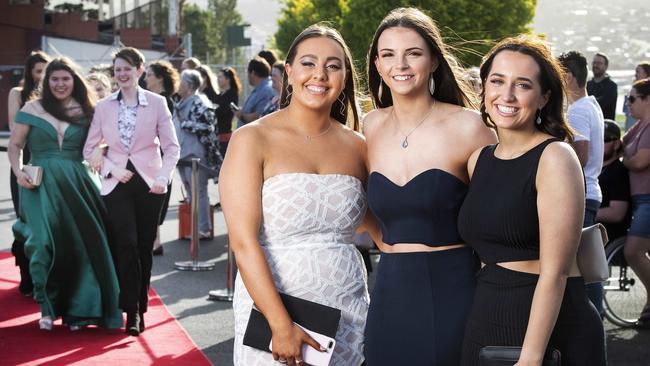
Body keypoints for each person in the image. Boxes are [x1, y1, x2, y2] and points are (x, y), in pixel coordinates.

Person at [224, 24, 368, 365]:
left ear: (345, 77)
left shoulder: (359, 147)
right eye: (308, 63)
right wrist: (279, 323)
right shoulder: (251, 139)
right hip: (273, 312)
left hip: (347, 309)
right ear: (288, 72)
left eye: (333, 65)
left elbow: (385, 229)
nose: (320, 74)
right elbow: (243, 242)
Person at [458, 35, 606, 366]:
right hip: (486, 315)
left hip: (547, 328)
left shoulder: (555, 157)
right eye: (497, 81)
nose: (506, 95)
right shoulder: (478, 160)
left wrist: (531, 357)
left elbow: (554, 273)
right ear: (484, 89)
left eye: (522, 85)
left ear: (544, 97)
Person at [362, 8, 496, 365]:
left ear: (434, 61)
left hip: (455, 287)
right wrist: (387, 244)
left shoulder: (469, 127)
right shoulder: (368, 127)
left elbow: (496, 217)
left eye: (413, 54)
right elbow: (355, 204)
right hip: (390, 289)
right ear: (377, 64)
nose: (400, 65)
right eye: (388, 55)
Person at [8, 57, 122, 331]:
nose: (60, 84)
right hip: (40, 186)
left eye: (65, 78)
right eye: (54, 79)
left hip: (79, 183)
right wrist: (18, 170)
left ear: (74, 81)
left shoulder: (89, 110)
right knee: (41, 244)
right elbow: (15, 145)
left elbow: (109, 141)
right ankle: (47, 308)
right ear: (46, 82)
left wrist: (100, 148)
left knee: (79, 246)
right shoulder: (32, 108)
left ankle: (79, 311)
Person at [83, 47, 180, 336]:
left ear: (140, 71)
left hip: (151, 183)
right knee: (125, 243)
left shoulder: (157, 102)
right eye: (117, 69)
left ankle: (140, 305)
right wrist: (112, 168)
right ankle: (131, 312)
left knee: (143, 248)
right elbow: (90, 148)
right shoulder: (104, 106)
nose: (122, 74)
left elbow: (172, 147)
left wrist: (163, 176)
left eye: (127, 68)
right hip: (117, 184)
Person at [558, 50, 606, 315]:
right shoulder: (592, 105)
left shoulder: (577, 111)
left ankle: (590, 321)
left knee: (583, 269)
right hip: (591, 191)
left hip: (582, 193)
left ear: (567, 76)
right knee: (587, 266)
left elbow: (582, 154)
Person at [7, 50, 50, 297]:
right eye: (38, 71)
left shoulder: (56, 97)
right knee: (26, 221)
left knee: (49, 222)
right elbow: (14, 128)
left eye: (46, 71)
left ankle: (46, 276)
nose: (43, 76)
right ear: (29, 72)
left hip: (50, 164)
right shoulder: (18, 93)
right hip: (26, 164)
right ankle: (26, 274)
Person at [173, 69, 221, 239]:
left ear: (189, 85)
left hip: (195, 155)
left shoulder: (199, 102)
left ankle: (203, 229)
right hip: (183, 155)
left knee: (198, 192)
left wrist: (186, 124)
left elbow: (209, 127)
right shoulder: (181, 102)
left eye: (181, 81)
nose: (178, 84)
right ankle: (196, 229)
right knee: (191, 193)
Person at [144, 60, 180, 255]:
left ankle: (155, 242)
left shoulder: (163, 100)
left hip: (160, 156)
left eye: (149, 74)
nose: (145, 78)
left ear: (159, 78)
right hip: (154, 155)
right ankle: (155, 241)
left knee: (156, 197)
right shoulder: (155, 98)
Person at [622, 78, 650, 327]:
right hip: (640, 198)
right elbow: (621, 146)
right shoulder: (640, 125)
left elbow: (640, 161)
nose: (628, 103)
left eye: (632, 98)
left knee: (633, 251)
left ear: (647, 99)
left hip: (648, 199)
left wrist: (625, 162)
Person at [597, 120, 631, 241]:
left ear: (616, 144)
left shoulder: (619, 172)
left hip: (606, 235)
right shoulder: (594, 169)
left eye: (605, 139)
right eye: (597, 138)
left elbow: (617, 213)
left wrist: (584, 212)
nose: (599, 143)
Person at [234, 57, 275, 128]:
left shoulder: (266, 91)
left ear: (253, 73)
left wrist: (241, 115)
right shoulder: (261, 89)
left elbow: (259, 118)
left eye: (248, 73)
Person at [215, 67, 241, 156]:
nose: (218, 80)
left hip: (225, 135)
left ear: (228, 79)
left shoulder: (232, 94)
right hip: (218, 134)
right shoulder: (221, 94)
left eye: (220, 77)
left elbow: (222, 111)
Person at [587, 52, 617, 120]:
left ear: (606, 66)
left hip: (606, 126)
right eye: (594, 62)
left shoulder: (611, 86)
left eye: (599, 63)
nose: (596, 65)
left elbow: (600, 105)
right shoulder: (588, 85)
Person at [624, 61, 650, 131]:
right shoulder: (632, 89)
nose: (635, 75)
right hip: (630, 120)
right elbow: (625, 108)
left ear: (646, 74)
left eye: (638, 72)